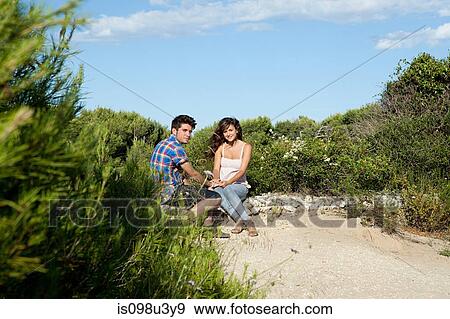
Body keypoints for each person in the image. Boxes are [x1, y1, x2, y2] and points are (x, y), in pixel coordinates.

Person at [150, 115, 221, 222]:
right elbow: (193, 173)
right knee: (215, 198)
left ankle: (207, 227)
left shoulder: (162, 143)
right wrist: (210, 184)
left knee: (199, 192)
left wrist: (194, 188)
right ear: (174, 130)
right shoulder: (176, 148)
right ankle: (185, 221)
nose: (188, 134)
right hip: (169, 193)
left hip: (156, 191)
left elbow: (181, 175)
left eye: (190, 131)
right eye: (184, 130)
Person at [210, 117, 258, 236]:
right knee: (216, 193)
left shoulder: (246, 147)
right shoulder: (221, 148)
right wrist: (216, 179)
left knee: (228, 188)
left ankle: (249, 222)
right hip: (221, 184)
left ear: (236, 130)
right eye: (225, 131)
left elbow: (242, 170)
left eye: (230, 130)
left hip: (239, 185)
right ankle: (239, 220)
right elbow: (216, 168)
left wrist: (228, 182)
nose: (228, 134)